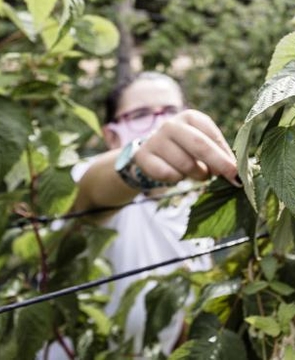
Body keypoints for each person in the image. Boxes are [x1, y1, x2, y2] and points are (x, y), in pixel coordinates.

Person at [59, 71, 239, 356]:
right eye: (141, 114)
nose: (161, 123)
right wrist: (139, 163)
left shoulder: (200, 196)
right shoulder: (89, 177)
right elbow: (89, 195)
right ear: (111, 135)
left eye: (170, 111)